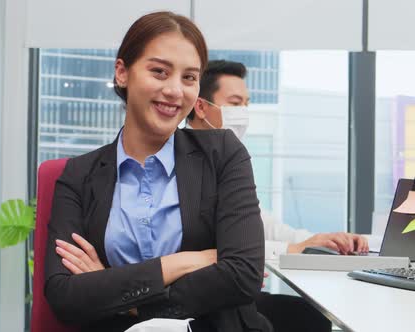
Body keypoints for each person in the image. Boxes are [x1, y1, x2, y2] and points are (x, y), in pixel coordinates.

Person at [44, 12, 272, 332]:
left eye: (189, 78)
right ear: (122, 73)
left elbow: (243, 275)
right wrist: (186, 262)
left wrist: (127, 300)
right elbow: (64, 295)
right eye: (159, 72)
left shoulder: (223, 153)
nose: (175, 90)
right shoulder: (79, 175)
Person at [186, 59, 370, 332]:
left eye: (247, 104)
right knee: (305, 320)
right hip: (204, 301)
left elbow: (262, 224)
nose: (244, 112)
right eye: (235, 103)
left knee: (309, 316)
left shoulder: (227, 160)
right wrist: (294, 248)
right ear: (201, 106)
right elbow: (224, 247)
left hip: (232, 298)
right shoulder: (186, 165)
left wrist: (321, 241)